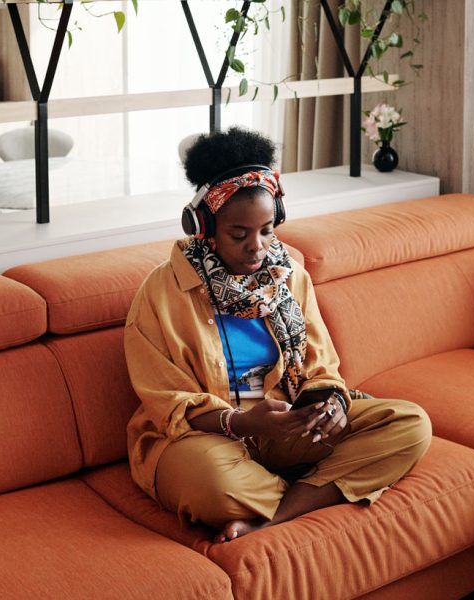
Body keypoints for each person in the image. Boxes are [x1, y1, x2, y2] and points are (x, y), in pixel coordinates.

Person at [124, 127, 432, 543]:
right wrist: (241, 422)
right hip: (206, 436)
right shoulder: (161, 292)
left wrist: (331, 404)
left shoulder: (291, 276)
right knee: (213, 486)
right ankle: (314, 488)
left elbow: (320, 364)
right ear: (205, 227)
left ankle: (272, 517)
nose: (258, 247)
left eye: (267, 230)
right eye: (239, 234)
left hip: (284, 426)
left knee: (410, 425)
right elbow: (167, 401)